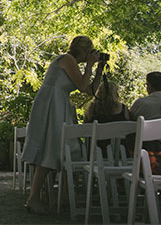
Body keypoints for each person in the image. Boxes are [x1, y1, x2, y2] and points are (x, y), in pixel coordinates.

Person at [22, 35, 104, 214]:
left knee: (66, 147)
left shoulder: (73, 63)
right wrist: (89, 65)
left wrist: (99, 70)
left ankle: (64, 196)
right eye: (89, 51)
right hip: (51, 104)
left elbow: (90, 91)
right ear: (82, 50)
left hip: (60, 104)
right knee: (50, 147)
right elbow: (82, 86)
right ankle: (33, 198)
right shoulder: (67, 59)